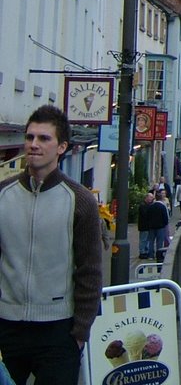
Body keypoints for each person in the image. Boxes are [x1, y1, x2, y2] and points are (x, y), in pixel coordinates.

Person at [0, 105, 103, 385]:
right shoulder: (4, 195)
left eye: (44, 138)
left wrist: (80, 333)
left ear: (61, 147)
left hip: (58, 330)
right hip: (6, 326)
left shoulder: (79, 200)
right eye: (30, 137)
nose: (34, 145)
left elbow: (90, 269)